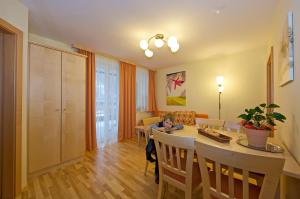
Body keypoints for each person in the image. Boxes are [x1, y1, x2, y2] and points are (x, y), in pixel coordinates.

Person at [145, 114, 183, 184]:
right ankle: (158, 174)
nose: (168, 125)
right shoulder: (159, 124)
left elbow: (181, 125)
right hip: (156, 144)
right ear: (163, 121)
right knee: (158, 154)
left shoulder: (170, 126)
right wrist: (159, 129)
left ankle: (171, 170)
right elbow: (150, 126)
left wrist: (173, 128)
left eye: (170, 123)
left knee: (165, 151)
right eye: (166, 122)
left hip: (165, 145)